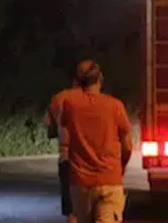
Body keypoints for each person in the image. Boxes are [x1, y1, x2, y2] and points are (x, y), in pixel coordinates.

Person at [58, 59, 132, 223]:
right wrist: (122, 166)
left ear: (78, 81)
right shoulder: (115, 106)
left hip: (80, 183)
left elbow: (64, 140)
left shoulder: (70, 105)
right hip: (109, 180)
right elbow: (127, 145)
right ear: (100, 78)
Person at [45, 85, 78, 223]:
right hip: (96, 164)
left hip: (67, 160)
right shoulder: (104, 101)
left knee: (72, 212)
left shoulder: (58, 99)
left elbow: (49, 126)